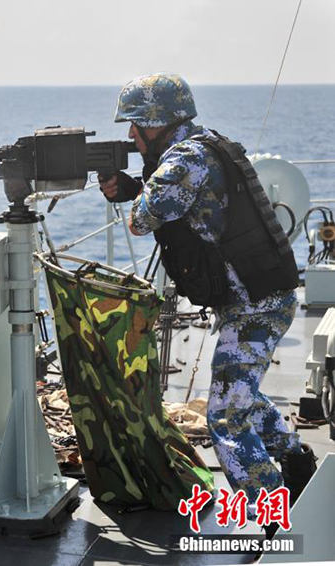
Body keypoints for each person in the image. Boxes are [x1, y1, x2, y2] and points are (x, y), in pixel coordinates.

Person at [99, 72, 317, 522]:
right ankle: (295, 460)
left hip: (254, 306)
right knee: (239, 393)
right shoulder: (201, 145)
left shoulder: (183, 161)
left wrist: (134, 189)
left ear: (158, 121)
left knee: (225, 416)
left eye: (137, 122)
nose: (131, 133)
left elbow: (141, 221)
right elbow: (183, 205)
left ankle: (276, 521)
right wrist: (140, 186)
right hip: (259, 297)